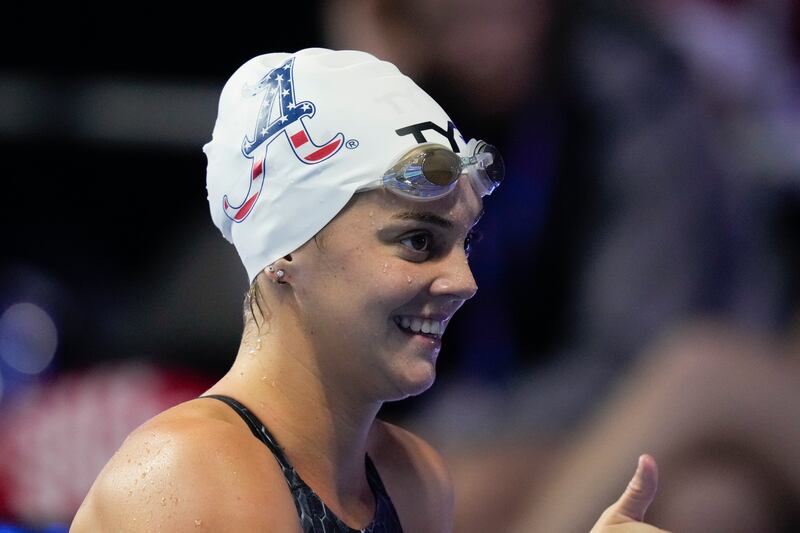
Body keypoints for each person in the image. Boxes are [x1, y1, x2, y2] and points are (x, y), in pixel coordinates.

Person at [69, 48, 666, 532]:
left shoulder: (415, 481)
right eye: (417, 242)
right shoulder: (189, 477)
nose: (464, 282)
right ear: (288, 249)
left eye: (466, 243)